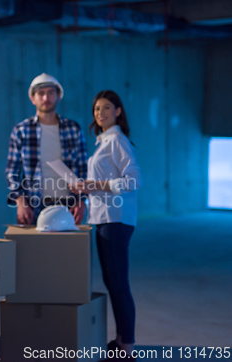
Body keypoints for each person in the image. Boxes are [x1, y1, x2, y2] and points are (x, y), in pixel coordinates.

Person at [70, 90, 142, 361]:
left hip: (115, 220)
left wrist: (94, 185)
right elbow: (103, 184)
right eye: (97, 109)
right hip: (103, 218)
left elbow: (134, 180)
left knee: (119, 285)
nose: (100, 113)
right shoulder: (104, 141)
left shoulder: (118, 141)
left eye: (107, 108)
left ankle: (127, 349)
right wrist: (85, 189)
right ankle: (122, 340)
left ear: (118, 111)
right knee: (114, 283)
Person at [5, 73, 88, 225]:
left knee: (67, 249)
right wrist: (20, 200)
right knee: (33, 249)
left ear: (58, 96)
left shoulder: (73, 129)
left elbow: (83, 169)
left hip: (68, 206)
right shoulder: (21, 130)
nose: (46, 98)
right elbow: (12, 171)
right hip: (32, 206)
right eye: (41, 94)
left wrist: (81, 201)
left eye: (51, 93)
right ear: (33, 98)